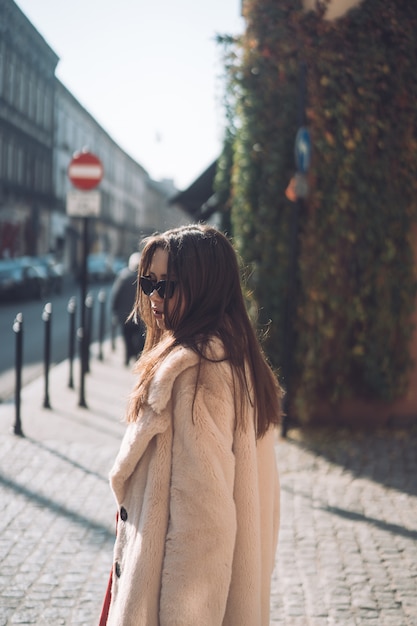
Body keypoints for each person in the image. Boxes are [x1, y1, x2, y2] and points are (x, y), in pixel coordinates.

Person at [99, 224, 282, 626]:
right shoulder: (236, 357)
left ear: (206, 287)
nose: (155, 297)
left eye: (170, 285)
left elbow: (202, 534)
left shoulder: (197, 374)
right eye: (150, 282)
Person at [111, 252, 145, 366]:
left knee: (126, 337)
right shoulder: (143, 278)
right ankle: (134, 355)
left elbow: (116, 294)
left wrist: (114, 310)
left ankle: (127, 356)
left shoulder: (123, 277)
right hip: (139, 315)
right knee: (137, 337)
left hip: (124, 315)